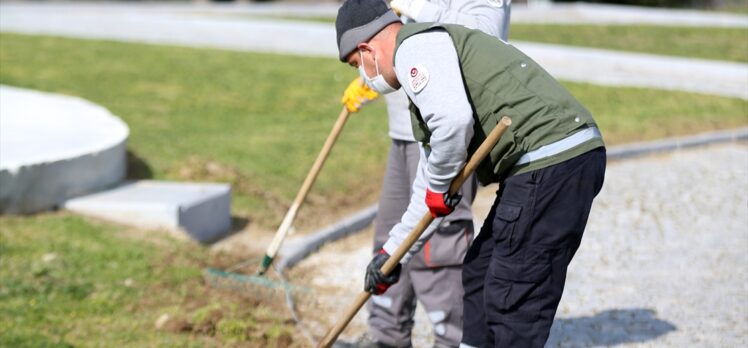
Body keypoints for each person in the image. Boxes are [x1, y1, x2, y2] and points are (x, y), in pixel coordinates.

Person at [334, 0, 606, 347]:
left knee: (512, 294)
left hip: (553, 158)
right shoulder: (424, 81)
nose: (364, 78)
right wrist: (392, 254)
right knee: (479, 274)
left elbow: (454, 123)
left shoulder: (415, 48)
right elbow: (429, 189)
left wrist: (437, 187)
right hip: (539, 164)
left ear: (367, 48)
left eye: (358, 65)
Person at [338, 1, 511, 347]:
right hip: (404, 131)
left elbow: (484, 36)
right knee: (389, 239)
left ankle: (454, 338)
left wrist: (415, 5)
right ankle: (387, 336)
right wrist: (367, 80)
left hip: (447, 135)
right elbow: (388, 43)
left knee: (438, 247)